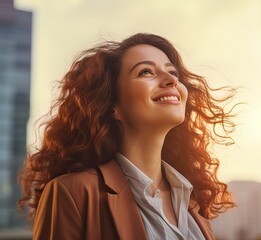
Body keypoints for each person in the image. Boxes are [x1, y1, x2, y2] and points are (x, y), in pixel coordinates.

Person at [18, 33, 236, 240]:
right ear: (113, 105)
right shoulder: (72, 193)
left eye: (173, 72)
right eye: (145, 72)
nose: (171, 79)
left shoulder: (193, 204)